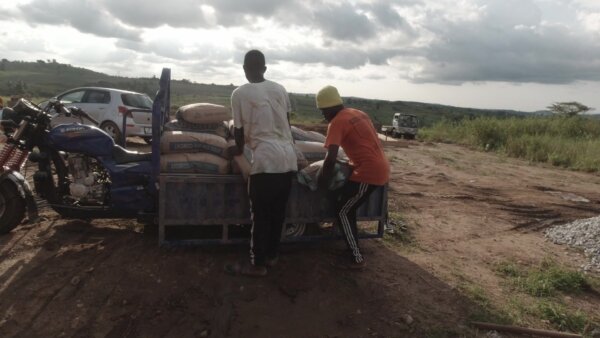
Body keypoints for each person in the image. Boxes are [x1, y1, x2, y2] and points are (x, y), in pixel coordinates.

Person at [225, 50, 297, 277]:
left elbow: (239, 131)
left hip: (266, 162)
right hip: (288, 159)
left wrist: (236, 150)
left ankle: (257, 265)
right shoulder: (280, 89)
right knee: (277, 214)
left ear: (245, 69)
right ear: (265, 69)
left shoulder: (239, 94)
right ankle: (272, 256)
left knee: (260, 216)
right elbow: (287, 123)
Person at [316, 85, 390, 269]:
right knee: (345, 204)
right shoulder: (357, 113)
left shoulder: (337, 122)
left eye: (323, 112)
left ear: (329, 108)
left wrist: (322, 183)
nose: (324, 116)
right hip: (377, 165)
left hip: (368, 172)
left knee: (343, 211)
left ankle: (356, 258)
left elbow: (330, 158)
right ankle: (347, 241)